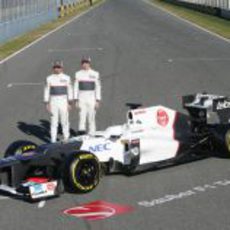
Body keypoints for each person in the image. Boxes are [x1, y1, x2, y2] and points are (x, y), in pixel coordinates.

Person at [44, 61, 73, 143]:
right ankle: (53, 141)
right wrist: (47, 103)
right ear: (53, 68)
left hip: (64, 102)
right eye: (55, 67)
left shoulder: (67, 78)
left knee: (65, 121)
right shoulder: (49, 78)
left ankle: (66, 139)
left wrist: (70, 103)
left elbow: (70, 90)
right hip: (53, 102)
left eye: (58, 67)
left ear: (62, 68)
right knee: (54, 122)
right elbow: (47, 91)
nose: (57, 69)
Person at [74, 57, 101, 134]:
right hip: (81, 99)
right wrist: (76, 100)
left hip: (92, 99)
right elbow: (75, 87)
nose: (85, 64)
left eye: (86, 63)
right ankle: (81, 136)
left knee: (91, 119)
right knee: (82, 118)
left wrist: (97, 100)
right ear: (81, 64)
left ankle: (92, 135)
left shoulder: (95, 74)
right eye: (83, 63)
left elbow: (98, 87)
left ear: (89, 63)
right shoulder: (78, 74)